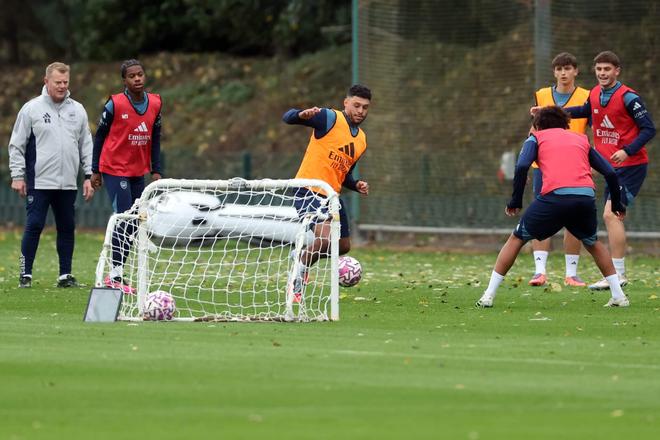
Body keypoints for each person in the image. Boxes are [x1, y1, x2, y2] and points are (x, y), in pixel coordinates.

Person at [476, 106, 628, 308]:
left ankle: (488, 295)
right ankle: (618, 296)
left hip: (554, 198)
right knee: (593, 243)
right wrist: (617, 204)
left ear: (538, 126)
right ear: (565, 124)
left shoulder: (536, 138)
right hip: (584, 199)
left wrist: (515, 201)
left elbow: (521, 166)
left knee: (517, 238)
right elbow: (610, 172)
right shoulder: (581, 139)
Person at [537, 51, 655, 290]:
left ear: (617, 71)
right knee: (613, 216)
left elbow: (649, 129)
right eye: (599, 69)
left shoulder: (629, 97)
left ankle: (618, 274)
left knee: (611, 215)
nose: (602, 73)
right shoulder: (595, 94)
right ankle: (615, 274)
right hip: (611, 168)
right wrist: (547, 113)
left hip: (630, 166)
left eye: (607, 69)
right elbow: (582, 111)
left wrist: (627, 151)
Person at [8, 61, 94, 288]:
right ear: (46, 81)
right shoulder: (31, 109)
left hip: (68, 182)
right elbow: (17, 145)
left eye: (66, 82)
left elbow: (86, 145)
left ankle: (65, 275)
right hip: (40, 181)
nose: (62, 86)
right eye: (58, 82)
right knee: (34, 224)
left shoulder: (78, 110)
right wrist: (18, 175)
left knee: (66, 227)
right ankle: (25, 274)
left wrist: (89, 176)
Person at [282, 84, 371, 297]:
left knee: (343, 246)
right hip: (309, 189)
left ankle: (302, 255)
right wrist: (301, 115)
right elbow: (287, 117)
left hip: (332, 196)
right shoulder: (329, 118)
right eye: (356, 105)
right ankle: (297, 279)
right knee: (324, 239)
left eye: (365, 107)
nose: (360, 111)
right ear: (346, 102)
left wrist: (355, 184)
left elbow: (344, 174)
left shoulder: (361, 140)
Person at [91, 59, 163, 294]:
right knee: (124, 217)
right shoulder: (114, 104)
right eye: (132, 76)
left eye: (140, 74)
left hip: (137, 170)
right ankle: (115, 274)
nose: (137, 78)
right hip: (114, 168)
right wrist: (95, 169)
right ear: (124, 80)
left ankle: (118, 270)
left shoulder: (155, 102)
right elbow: (100, 136)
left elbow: (155, 137)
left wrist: (156, 169)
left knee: (134, 221)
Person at [528, 52, 591, 288]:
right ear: (554, 72)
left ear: (576, 71)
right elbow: (534, 130)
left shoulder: (587, 96)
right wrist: (528, 158)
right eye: (559, 69)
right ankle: (539, 271)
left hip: (574, 165)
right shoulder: (542, 95)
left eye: (568, 68)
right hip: (544, 166)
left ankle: (571, 273)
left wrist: (594, 160)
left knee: (574, 217)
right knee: (540, 214)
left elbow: (592, 131)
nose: (563, 73)